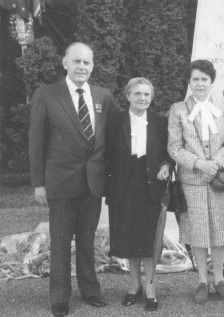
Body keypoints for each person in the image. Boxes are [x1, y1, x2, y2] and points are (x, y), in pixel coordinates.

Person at [29, 42, 119, 316]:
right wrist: (39, 183)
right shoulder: (47, 94)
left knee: (87, 240)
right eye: (77, 61)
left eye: (87, 63)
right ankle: (59, 297)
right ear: (65, 63)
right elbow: (36, 141)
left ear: (93, 66)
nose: (82, 67)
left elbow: (119, 135)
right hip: (60, 182)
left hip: (93, 183)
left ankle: (90, 290)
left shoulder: (104, 96)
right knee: (59, 241)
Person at [168, 59, 224, 304]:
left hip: (220, 179)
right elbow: (174, 147)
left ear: (211, 81)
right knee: (198, 232)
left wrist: (217, 163)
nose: (200, 83)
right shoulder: (178, 109)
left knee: (219, 232)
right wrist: (199, 163)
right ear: (189, 81)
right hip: (192, 181)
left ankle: (219, 279)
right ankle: (202, 280)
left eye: (204, 79)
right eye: (195, 79)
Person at [105, 77, 174, 311]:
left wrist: (166, 166)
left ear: (151, 97)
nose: (142, 98)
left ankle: (151, 286)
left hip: (150, 185)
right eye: (137, 94)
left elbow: (168, 153)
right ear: (127, 96)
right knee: (128, 239)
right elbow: (106, 154)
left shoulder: (160, 122)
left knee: (148, 240)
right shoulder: (114, 121)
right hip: (123, 186)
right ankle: (134, 285)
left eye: (146, 94)